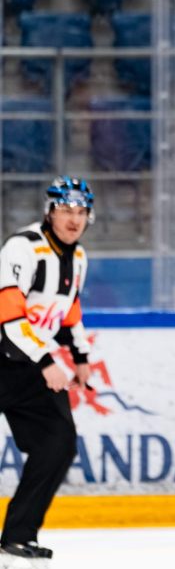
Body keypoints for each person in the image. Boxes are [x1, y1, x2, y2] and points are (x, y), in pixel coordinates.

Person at [0, 176, 94, 566]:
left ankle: (18, 535)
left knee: (58, 446)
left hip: (30, 369)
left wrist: (81, 355)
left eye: (80, 212)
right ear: (49, 211)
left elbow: (68, 311)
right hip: (13, 358)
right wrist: (47, 361)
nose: (73, 219)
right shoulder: (23, 248)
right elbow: (8, 315)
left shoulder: (78, 257)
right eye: (64, 210)